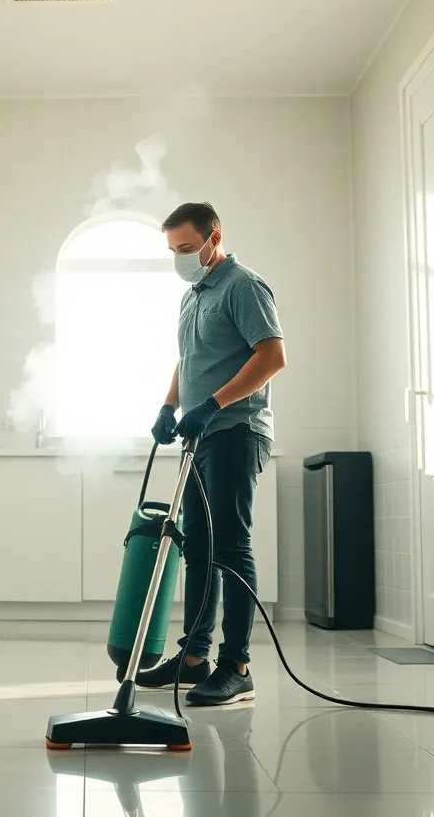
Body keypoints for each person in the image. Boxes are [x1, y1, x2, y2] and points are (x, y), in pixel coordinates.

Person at [136, 201, 286, 707]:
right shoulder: (193, 295)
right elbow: (188, 359)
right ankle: (195, 656)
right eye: (173, 250)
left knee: (230, 547)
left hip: (236, 430)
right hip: (200, 434)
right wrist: (169, 404)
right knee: (196, 547)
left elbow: (272, 356)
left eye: (186, 248)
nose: (179, 257)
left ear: (213, 238)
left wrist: (215, 403)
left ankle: (236, 667)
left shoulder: (243, 285)